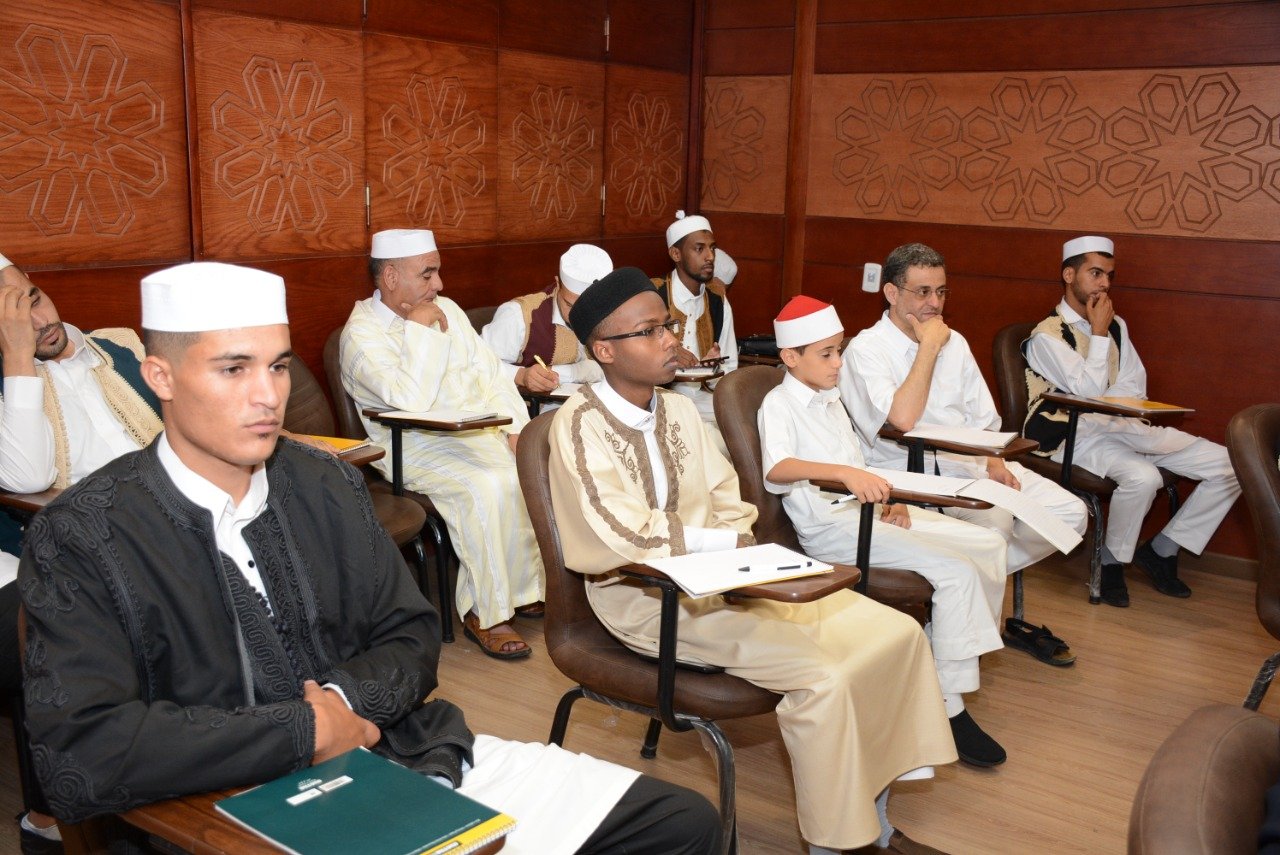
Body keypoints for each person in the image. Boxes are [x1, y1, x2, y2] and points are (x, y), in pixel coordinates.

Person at [18, 261, 720, 854]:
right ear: (160, 377)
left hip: (404, 748)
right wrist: (304, 731)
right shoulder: (84, 532)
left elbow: (410, 634)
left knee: (681, 823)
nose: (268, 395)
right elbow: (80, 752)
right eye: (233, 368)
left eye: (278, 366)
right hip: (231, 804)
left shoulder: (324, 482)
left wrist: (344, 708)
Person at [548, 267, 957, 855]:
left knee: (896, 634)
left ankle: (878, 824)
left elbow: (729, 499)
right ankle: (839, 844)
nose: (670, 341)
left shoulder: (679, 411)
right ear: (605, 350)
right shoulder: (578, 425)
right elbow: (617, 533)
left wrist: (736, 551)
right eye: (650, 332)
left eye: (667, 326)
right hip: (646, 599)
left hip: (729, 580)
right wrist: (721, 550)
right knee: (826, 677)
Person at [759, 295, 1009, 767]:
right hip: (831, 527)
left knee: (990, 543)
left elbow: (858, 463)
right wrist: (846, 475)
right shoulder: (779, 403)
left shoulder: (831, 399)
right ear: (790, 357)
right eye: (826, 354)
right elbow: (777, 468)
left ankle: (944, 661)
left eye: (839, 350)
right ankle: (948, 706)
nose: (838, 362)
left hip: (866, 514)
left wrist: (886, 497)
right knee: (955, 571)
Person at [841, 243, 1087, 666]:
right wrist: (928, 348)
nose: (934, 303)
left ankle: (959, 601)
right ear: (891, 293)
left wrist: (994, 462)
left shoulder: (955, 342)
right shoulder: (867, 350)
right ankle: (959, 652)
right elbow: (902, 419)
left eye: (941, 292)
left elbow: (984, 420)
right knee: (996, 523)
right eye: (922, 292)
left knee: (1070, 514)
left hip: (968, 463)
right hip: (905, 474)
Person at [340, 229, 543, 660]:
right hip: (410, 445)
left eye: (437, 272)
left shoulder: (447, 309)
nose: (439, 284)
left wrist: (516, 430)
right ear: (390, 277)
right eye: (427, 273)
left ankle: (522, 590)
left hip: (474, 433)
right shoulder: (360, 336)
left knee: (526, 470)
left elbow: (491, 374)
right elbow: (409, 401)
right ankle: (486, 613)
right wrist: (419, 330)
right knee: (485, 484)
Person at [1022, 235, 1241, 606]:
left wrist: (1108, 394)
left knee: (1230, 465)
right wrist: (1098, 333)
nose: (1105, 283)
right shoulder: (1046, 336)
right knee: (1143, 477)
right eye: (1095, 273)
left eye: (1109, 275)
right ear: (1069, 275)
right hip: (1073, 436)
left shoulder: (1116, 326)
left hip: (1122, 426)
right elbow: (1088, 390)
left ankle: (1161, 550)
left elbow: (1134, 386)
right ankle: (1110, 563)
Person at [0, 253, 161, 493]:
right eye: (17, 321)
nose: (41, 322)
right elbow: (29, 479)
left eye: (35, 301)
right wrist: (18, 355)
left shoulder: (120, 343)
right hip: (95, 514)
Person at [651, 211, 738, 445]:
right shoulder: (653, 295)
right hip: (655, 399)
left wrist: (710, 369)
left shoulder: (717, 301)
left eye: (712, 248)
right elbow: (631, 357)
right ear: (676, 254)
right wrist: (668, 356)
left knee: (746, 419)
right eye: (699, 249)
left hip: (703, 399)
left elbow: (729, 368)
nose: (710, 256)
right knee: (712, 439)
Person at [481, 243, 612, 396]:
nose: (579, 315)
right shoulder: (520, 314)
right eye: (570, 305)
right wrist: (521, 375)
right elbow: (477, 363)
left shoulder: (612, 314)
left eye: (589, 308)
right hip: (530, 407)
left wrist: (573, 372)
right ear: (558, 283)